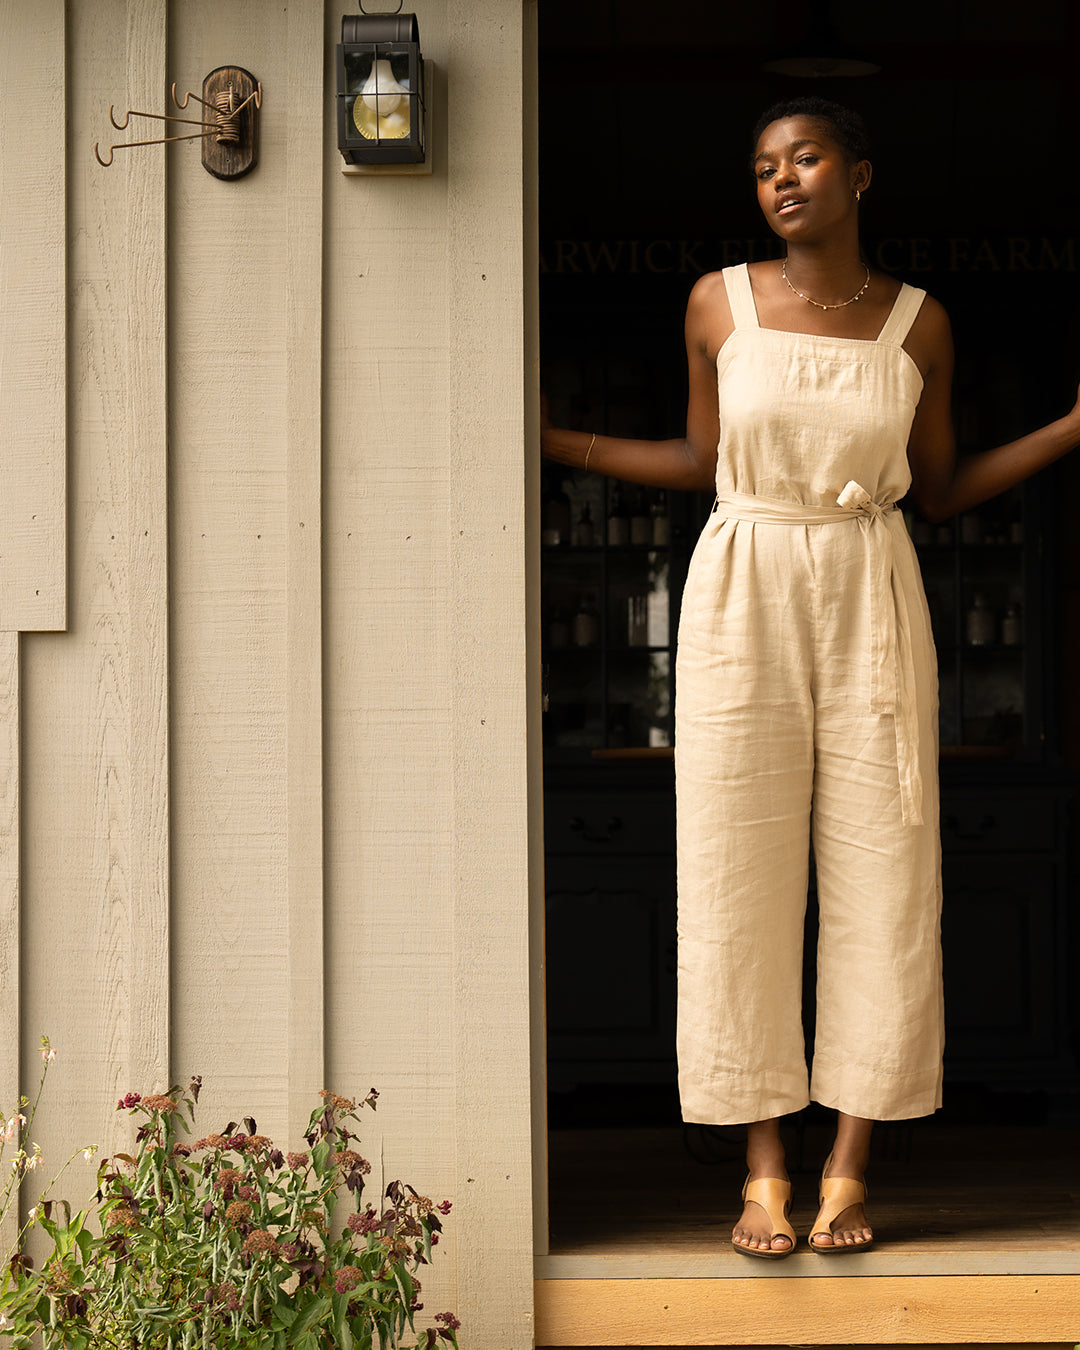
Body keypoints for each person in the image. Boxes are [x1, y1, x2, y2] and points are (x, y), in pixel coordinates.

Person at [541, 95, 1080, 1257]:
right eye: (763, 167)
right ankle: (762, 1167)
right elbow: (697, 458)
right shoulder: (717, 303)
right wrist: (548, 441)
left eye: (807, 157)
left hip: (873, 586)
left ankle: (848, 1167)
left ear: (861, 176)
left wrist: (1069, 430)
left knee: (886, 871)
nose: (783, 179)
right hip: (744, 581)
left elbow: (935, 492)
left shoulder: (919, 324)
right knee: (737, 872)